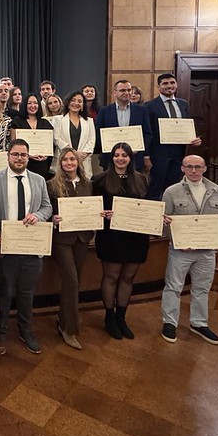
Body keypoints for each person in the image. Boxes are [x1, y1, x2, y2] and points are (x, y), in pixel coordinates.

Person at [0, 140, 52, 353]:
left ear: (28, 157)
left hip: (32, 246)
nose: (19, 158)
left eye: (23, 155)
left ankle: (25, 330)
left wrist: (38, 216)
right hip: (6, 247)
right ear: (8, 156)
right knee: (4, 290)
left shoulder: (39, 180)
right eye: (15, 154)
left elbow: (47, 207)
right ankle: (1, 329)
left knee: (27, 292)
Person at [160, 155, 218, 345]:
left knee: (202, 288)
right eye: (189, 166)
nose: (193, 170)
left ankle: (199, 323)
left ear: (204, 168)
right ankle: (169, 323)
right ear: (182, 168)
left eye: (198, 167)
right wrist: (173, 233)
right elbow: (163, 220)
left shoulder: (216, 191)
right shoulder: (171, 192)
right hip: (181, 251)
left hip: (207, 251)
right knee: (173, 286)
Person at [92, 142, 150, 340]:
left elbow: (147, 206)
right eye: (116, 155)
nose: (120, 158)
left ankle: (121, 317)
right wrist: (102, 213)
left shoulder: (141, 179)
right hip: (111, 236)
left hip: (136, 236)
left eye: (124, 155)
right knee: (112, 276)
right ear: (112, 158)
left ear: (130, 158)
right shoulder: (100, 180)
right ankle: (109, 317)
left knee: (128, 277)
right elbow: (93, 208)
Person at [47, 147, 96, 350]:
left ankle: (63, 320)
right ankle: (70, 329)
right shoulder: (52, 185)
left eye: (72, 159)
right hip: (62, 240)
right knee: (72, 281)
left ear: (78, 162)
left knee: (73, 282)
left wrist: (97, 215)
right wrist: (53, 218)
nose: (69, 163)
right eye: (65, 160)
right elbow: (46, 210)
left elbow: (92, 208)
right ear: (60, 163)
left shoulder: (88, 184)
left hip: (82, 238)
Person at [144, 73, 202, 200]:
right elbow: (147, 132)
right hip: (158, 154)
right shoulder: (149, 106)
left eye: (172, 83)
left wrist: (194, 139)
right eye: (165, 83)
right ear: (158, 87)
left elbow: (187, 125)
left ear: (176, 84)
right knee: (155, 188)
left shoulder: (183, 104)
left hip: (178, 153)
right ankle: (154, 212)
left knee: (173, 188)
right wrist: (146, 156)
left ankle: (170, 212)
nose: (169, 86)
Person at [95, 79, 152, 172]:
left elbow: (147, 134)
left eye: (129, 90)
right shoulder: (104, 111)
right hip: (110, 159)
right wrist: (109, 148)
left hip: (135, 158)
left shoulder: (141, 110)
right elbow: (98, 134)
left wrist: (139, 148)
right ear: (115, 93)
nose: (127, 93)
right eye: (122, 90)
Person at [51, 91, 96, 177]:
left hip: (83, 161)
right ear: (68, 103)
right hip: (64, 160)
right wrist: (74, 154)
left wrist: (81, 155)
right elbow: (57, 139)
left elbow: (91, 141)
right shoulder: (58, 119)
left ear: (83, 105)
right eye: (73, 100)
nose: (76, 103)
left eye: (79, 101)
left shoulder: (89, 121)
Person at [11, 93, 53, 179]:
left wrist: (46, 155)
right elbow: (13, 143)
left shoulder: (46, 123)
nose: (33, 106)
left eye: (35, 103)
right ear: (25, 105)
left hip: (42, 165)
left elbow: (51, 145)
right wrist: (27, 155)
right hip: (24, 163)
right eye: (29, 103)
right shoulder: (17, 121)